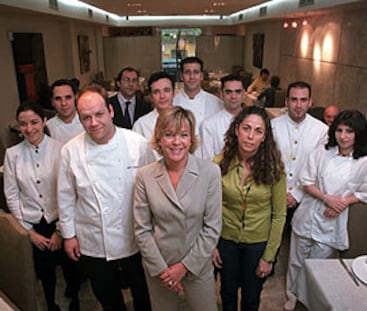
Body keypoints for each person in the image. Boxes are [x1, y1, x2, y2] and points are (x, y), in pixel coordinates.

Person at [58, 84, 155, 310]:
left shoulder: (136, 143)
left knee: (144, 295)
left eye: (99, 114)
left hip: (135, 235)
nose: (94, 123)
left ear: (110, 111)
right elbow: (65, 197)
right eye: (86, 118)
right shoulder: (70, 151)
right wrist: (69, 235)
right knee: (107, 297)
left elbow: (153, 190)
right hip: (93, 238)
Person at [285, 110, 367, 310]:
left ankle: (310, 303)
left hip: (331, 220)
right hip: (308, 213)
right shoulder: (322, 152)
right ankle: (291, 298)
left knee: (318, 268)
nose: (343, 136)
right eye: (339, 130)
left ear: (358, 134)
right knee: (296, 263)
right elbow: (305, 181)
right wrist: (326, 198)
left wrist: (342, 203)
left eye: (349, 132)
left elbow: (366, 192)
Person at [134, 106, 222, 311]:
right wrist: (162, 269)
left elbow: (212, 227)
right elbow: (141, 229)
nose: (176, 142)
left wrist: (184, 267)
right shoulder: (145, 176)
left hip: (197, 264)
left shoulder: (210, 172)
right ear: (159, 139)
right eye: (169, 135)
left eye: (183, 135)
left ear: (191, 139)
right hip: (159, 267)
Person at [4, 103, 79, 311]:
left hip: (61, 221)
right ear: (18, 127)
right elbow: (11, 195)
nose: (29, 128)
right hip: (33, 224)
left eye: (34, 122)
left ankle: (75, 303)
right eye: (23, 124)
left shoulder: (61, 149)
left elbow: (70, 191)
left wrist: (60, 231)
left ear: (44, 121)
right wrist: (28, 231)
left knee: (71, 270)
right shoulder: (13, 154)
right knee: (45, 274)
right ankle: (51, 305)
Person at [212, 106, 286, 311]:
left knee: (251, 297)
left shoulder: (275, 169)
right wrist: (213, 245)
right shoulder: (218, 164)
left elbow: (279, 215)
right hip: (226, 240)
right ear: (236, 130)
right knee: (227, 292)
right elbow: (210, 209)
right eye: (246, 128)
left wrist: (268, 257)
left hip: (258, 244)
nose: (251, 136)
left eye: (258, 131)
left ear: (265, 137)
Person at [271, 81, 328, 228]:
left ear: (310, 102)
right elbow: (267, 163)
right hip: (272, 197)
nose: (298, 105)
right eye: (294, 99)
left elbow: (319, 169)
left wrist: (296, 195)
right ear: (286, 101)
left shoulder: (322, 131)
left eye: (303, 100)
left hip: (306, 200)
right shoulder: (273, 126)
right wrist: (280, 194)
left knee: (297, 247)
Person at [173, 57, 222, 138]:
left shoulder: (217, 103)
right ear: (181, 76)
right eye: (187, 72)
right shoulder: (173, 103)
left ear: (201, 76)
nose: (192, 77)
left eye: (196, 72)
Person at [200, 74, 244, 160]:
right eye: (228, 92)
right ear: (221, 94)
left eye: (238, 92)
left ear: (244, 94)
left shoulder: (255, 121)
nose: (233, 96)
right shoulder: (209, 125)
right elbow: (208, 161)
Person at [132, 71, 175, 140]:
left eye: (166, 90)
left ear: (174, 93)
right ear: (151, 97)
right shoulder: (141, 125)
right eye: (156, 92)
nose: (162, 96)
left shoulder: (185, 120)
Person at [47, 79, 84, 143]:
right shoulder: (48, 128)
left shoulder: (88, 121)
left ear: (76, 97)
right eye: (58, 99)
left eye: (68, 97)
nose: (63, 103)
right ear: (52, 102)